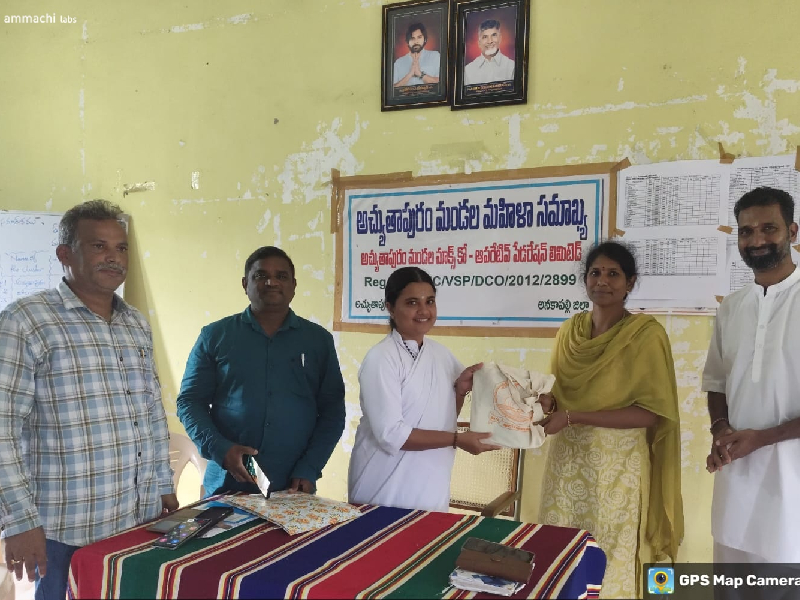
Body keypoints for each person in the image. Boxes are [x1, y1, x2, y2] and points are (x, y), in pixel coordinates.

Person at [0, 200, 177, 600]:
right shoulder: (27, 320)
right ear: (66, 255)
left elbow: (149, 412)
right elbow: (3, 428)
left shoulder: (135, 323)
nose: (113, 258)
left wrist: (162, 484)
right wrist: (19, 521)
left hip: (137, 518)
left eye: (121, 247)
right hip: (65, 527)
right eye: (99, 246)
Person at [537, 241, 683, 599]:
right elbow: (557, 395)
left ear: (630, 282)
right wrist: (542, 401)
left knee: (610, 556)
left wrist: (571, 416)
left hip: (617, 471)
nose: (603, 281)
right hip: (566, 462)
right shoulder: (569, 332)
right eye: (595, 273)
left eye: (613, 274)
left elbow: (650, 414)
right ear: (585, 280)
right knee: (562, 551)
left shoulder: (646, 336)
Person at [177, 246, 345, 497]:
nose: (271, 282)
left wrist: (310, 467)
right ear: (245, 284)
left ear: (294, 285)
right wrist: (220, 448)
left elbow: (332, 411)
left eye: (281, 276)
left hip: (293, 485)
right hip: (227, 484)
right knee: (227, 539)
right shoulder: (215, 336)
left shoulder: (317, 341)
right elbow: (189, 402)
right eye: (260, 276)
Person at [348, 266, 499, 512]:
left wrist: (460, 392)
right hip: (384, 486)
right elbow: (391, 434)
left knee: (427, 546)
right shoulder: (381, 358)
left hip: (431, 482)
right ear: (390, 308)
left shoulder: (441, 355)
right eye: (411, 302)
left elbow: (442, 416)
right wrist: (457, 439)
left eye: (430, 301)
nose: (424, 311)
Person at [703, 187, 800, 568]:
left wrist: (763, 438)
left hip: (791, 492)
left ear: (792, 231)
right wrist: (720, 430)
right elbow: (717, 383)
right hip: (735, 489)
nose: (756, 240)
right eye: (746, 231)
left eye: (768, 228)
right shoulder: (732, 307)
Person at [463, 18, 515, 85]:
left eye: (494, 35)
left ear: (500, 38)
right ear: (479, 43)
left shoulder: (512, 66)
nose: (490, 41)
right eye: (485, 37)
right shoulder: (468, 70)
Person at [393, 22, 441, 87]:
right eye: (412, 38)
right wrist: (409, 74)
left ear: (425, 39)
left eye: (419, 37)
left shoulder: (435, 56)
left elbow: (441, 83)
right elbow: (392, 89)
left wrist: (420, 74)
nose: (416, 41)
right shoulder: (399, 63)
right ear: (407, 42)